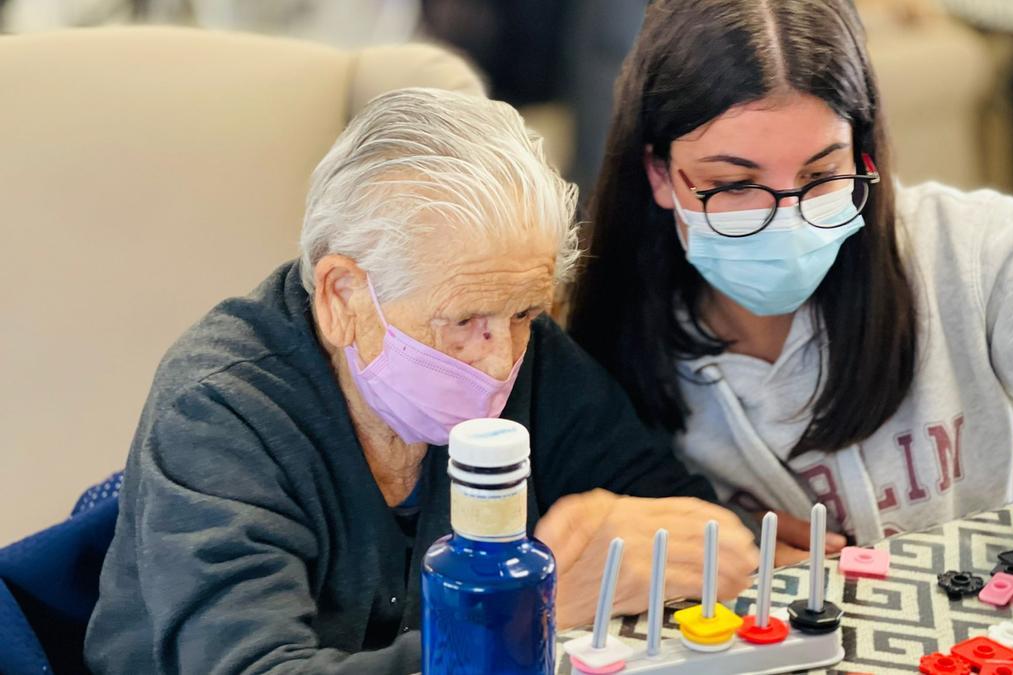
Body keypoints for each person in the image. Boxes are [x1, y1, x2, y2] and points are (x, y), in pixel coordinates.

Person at [84, 88, 760, 674]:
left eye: (525, 312)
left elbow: (694, 522)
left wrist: (678, 539)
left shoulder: (531, 352)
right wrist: (514, 614)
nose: (500, 360)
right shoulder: (221, 413)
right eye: (462, 320)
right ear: (342, 294)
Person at [568, 0, 1013, 550]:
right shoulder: (604, 337)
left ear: (864, 151)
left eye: (821, 176)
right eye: (734, 185)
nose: (785, 221)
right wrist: (699, 542)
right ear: (658, 174)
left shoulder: (964, 248)